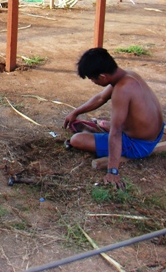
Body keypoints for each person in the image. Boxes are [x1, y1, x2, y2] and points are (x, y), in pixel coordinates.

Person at [64, 48, 164, 190]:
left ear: (103, 76)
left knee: (76, 140)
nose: (92, 81)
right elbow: (101, 98)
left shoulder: (121, 90)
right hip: (154, 132)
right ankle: (99, 127)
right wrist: (76, 112)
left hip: (139, 144)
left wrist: (113, 171)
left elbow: (116, 133)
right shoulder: (129, 75)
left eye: (92, 78)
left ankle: (93, 131)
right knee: (108, 122)